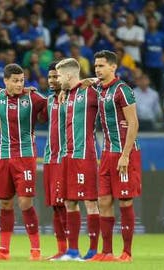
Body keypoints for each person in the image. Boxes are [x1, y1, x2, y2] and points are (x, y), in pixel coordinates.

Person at [0, 63, 46, 261]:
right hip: (4, 155)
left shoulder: (34, 98)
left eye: (22, 80)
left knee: (25, 202)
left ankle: (36, 250)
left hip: (26, 156)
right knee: (5, 203)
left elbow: (51, 105)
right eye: (15, 81)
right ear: (5, 81)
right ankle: (3, 250)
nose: (20, 84)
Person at [91, 50, 141, 262]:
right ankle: (107, 252)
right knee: (103, 201)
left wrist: (125, 154)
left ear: (113, 67)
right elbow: (83, 82)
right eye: (95, 66)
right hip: (107, 153)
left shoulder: (123, 90)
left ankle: (127, 253)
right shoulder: (99, 89)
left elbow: (134, 123)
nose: (97, 69)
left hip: (124, 153)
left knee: (125, 202)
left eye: (101, 66)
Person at [55, 58, 100, 261]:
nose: (57, 80)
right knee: (69, 201)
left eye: (59, 76)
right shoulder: (67, 95)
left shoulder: (90, 91)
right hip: (68, 154)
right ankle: (72, 251)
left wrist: (93, 79)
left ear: (70, 76)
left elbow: (110, 83)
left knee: (90, 202)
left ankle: (92, 251)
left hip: (85, 155)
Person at [39, 62, 67, 260]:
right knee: (56, 205)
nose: (51, 81)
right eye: (49, 77)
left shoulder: (75, 97)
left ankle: (70, 249)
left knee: (66, 204)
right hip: (50, 157)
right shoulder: (48, 100)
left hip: (66, 158)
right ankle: (62, 249)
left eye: (55, 77)